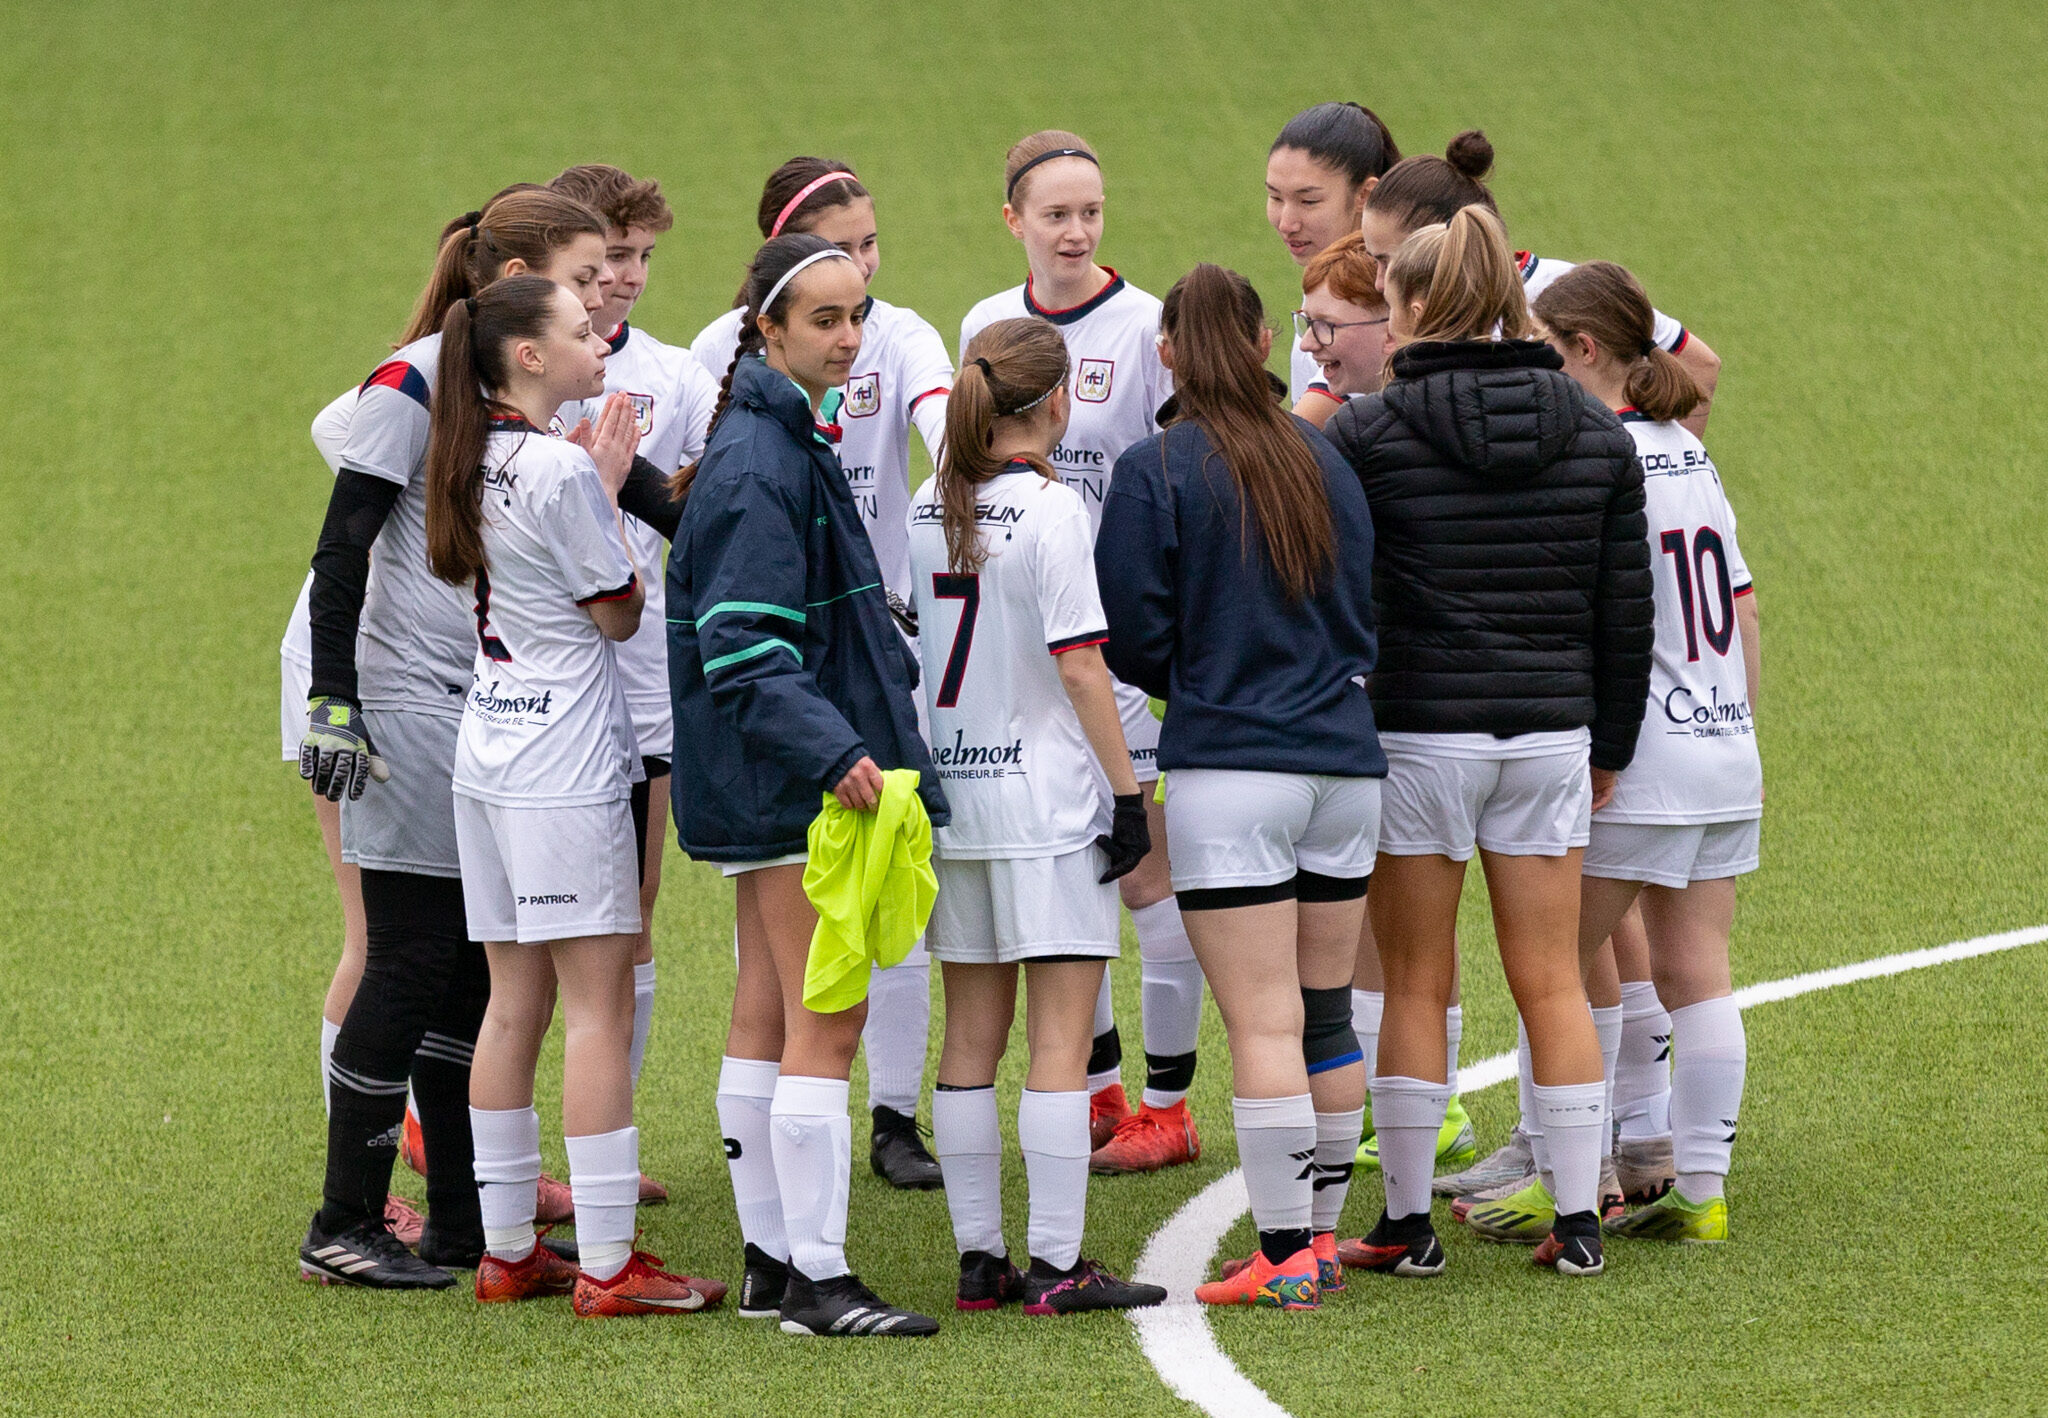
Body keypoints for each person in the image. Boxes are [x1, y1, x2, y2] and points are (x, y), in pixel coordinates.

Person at [1322, 206, 1655, 1280]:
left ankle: (1407, 1224)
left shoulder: (1364, 433)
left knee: (1416, 980)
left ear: (1412, 307)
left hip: (1417, 736)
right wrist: (1606, 742)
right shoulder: (1597, 432)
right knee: (1551, 977)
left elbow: (1344, 595)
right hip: (1550, 736)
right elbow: (1624, 610)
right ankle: (1577, 1220)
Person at [295, 188, 617, 1289]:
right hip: (400, 697)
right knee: (413, 954)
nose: (607, 289)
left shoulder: (508, 390)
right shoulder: (415, 383)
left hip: (465, 695)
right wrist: (330, 699)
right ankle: (343, 1221)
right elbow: (339, 551)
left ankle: (458, 1221)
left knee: (470, 970)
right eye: (588, 273)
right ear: (521, 283)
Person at [420, 274, 719, 1314]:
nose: (601, 340)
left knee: (514, 1002)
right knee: (594, 1010)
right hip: (564, 762)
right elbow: (619, 613)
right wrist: (604, 486)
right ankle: (608, 1264)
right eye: (581, 330)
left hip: (488, 753)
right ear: (530, 358)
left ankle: (507, 1249)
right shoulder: (552, 469)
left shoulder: (461, 455)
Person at [670, 234, 949, 1338]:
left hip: (761, 783)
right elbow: (744, 651)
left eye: (857, 315)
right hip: (796, 787)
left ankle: (768, 1262)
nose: (847, 337)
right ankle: (818, 1280)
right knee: (825, 1026)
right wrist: (837, 756)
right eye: (824, 319)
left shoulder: (769, 435)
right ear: (767, 326)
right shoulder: (758, 458)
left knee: (762, 1013)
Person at [1096, 265, 1385, 1309]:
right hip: (1345, 769)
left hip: (1231, 768)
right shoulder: (1327, 455)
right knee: (1324, 1015)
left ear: (1167, 351)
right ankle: (1311, 1234)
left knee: (1259, 1020)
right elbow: (1367, 612)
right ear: (1265, 341)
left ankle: (1279, 1256)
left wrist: (1200, 683)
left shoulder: (1155, 466)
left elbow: (1128, 631)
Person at [910, 316, 1166, 1316]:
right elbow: (1080, 663)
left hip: (953, 803)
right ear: (1054, 403)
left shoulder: (929, 505)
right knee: (1060, 1036)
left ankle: (980, 1260)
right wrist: (1127, 791)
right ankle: (1057, 1263)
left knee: (968, 1034)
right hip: (1048, 800)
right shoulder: (1053, 512)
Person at [960, 130, 1200, 1177]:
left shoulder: (1143, 325)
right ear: (1011, 219)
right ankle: (1098, 1086)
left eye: (1090, 212)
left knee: (1143, 872)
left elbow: (1174, 472)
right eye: (1054, 213)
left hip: (1113, 643)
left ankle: (1169, 1101)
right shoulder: (984, 322)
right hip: (1022, 644)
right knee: (1069, 870)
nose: (1075, 231)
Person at [1534, 261, 1759, 1243]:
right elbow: (1743, 608)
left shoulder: (1598, 458)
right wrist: (1734, 722)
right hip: (1722, 748)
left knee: (1551, 963)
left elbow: (1594, 620)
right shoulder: (1688, 452)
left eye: (1543, 351)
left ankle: (1567, 1186)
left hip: (1640, 757)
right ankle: (1700, 1193)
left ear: (1584, 350)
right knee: (1695, 968)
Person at [547, 163, 721, 1205]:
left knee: (634, 908)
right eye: (611, 258)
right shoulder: (522, 364)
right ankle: (472, 1130)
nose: (627, 279)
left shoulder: (672, 377)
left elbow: (701, 507)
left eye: (643, 258)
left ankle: (599, 1144)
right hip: (544, 679)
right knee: (527, 927)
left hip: (644, 680)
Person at [1358, 129, 1722, 439]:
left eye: (1388, 261)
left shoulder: (1566, 293)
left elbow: (1700, 367)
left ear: (1447, 237)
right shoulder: (1424, 319)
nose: (1379, 282)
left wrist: (1655, 478)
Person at [1263, 101, 1400, 418]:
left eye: (1308, 201)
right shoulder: (1331, 271)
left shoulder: (1367, 288)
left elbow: (1304, 435)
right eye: (1275, 197)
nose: (1286, 222)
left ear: (1364, 195)